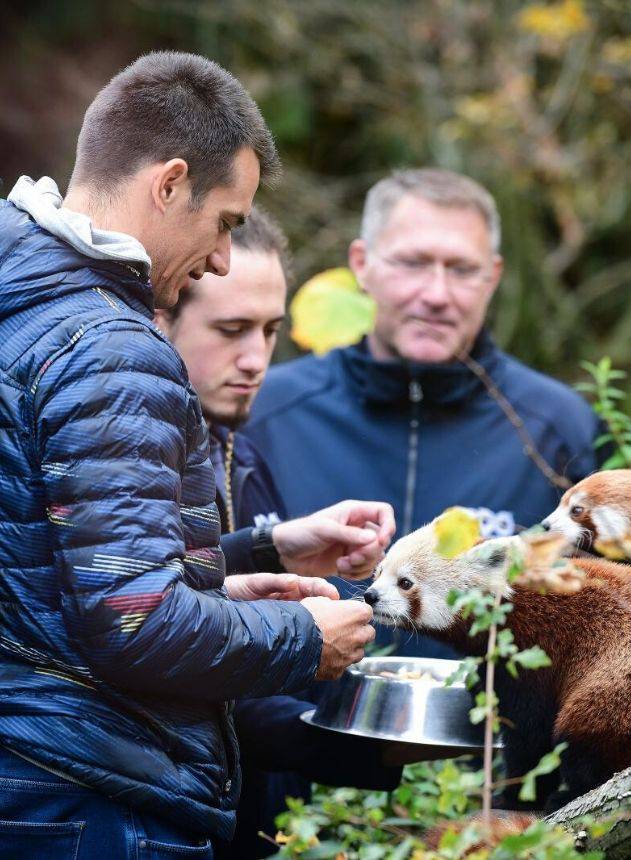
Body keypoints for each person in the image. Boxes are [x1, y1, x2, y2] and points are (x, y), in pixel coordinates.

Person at [0, 52, 380, 855]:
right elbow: (133, 625)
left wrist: (235, 568)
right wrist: (305, 640)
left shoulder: (20, 299)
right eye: (226, 224)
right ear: (169, 184)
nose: (218, 260)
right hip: (88, 799)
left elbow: (43, 570)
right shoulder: (106, 345)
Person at [239, 168, 603, 660]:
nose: (436, 294)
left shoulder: (561, 429)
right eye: (412, 263)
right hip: (283, 731)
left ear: (493, 276)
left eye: (461, 269)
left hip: (492, 732)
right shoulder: (263, 414)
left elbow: (599, 615)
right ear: (362, 265)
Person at [154, 209, 406, 859]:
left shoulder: (244, 450)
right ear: (159, 317)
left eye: (270, 331)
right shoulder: (125, 458)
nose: (257, 360)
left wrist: (283, 548)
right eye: (231, 330)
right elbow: (147, 647)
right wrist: (350, 743)